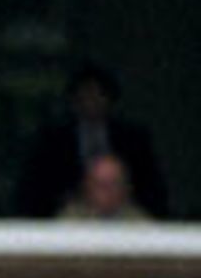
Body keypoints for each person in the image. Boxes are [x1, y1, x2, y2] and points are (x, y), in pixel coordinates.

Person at [17, 63, 168, 220]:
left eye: (98, 94)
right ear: (73, 100)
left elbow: (151, 187)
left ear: (110, 99)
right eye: (85, 94)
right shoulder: (52, 141)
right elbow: (35, 189)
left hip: (124, 216)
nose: (91, 101)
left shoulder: (133, 139)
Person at [58, 152, 151, 223]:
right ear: (88, 187)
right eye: (101, 185)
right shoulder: (69, 221)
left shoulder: (139, 222)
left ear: (125, 188)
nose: (108, 191)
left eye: (114, 184)